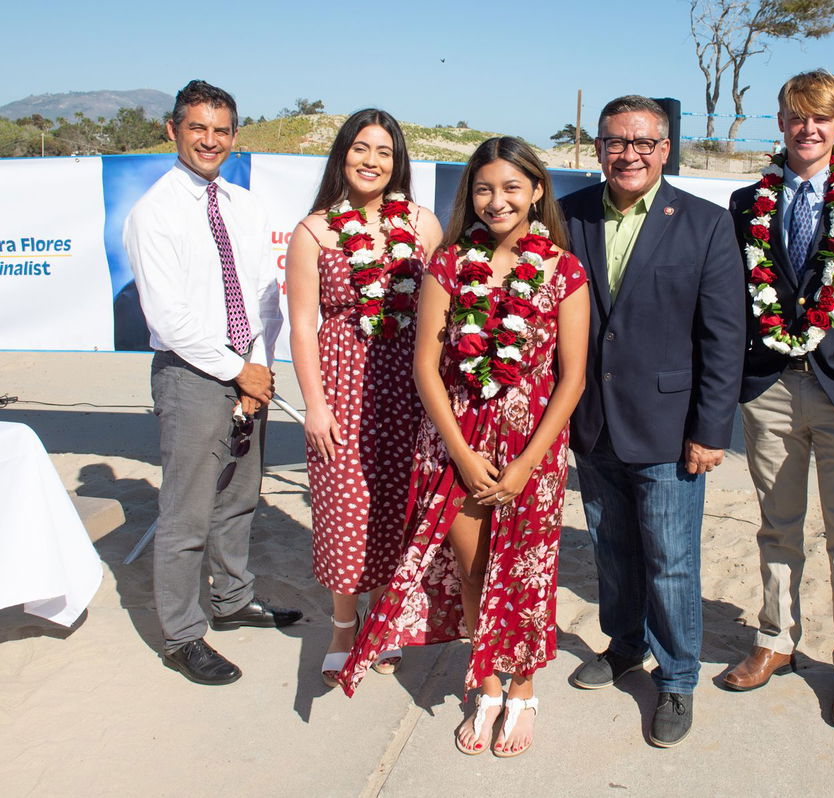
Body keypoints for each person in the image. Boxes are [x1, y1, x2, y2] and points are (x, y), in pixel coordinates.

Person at [338, 137, 589, 759]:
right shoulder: (448, 264)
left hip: (534, 447)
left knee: (528, 573)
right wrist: (462, 454)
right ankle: (484, 685)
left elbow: (572, 377)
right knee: (476, 570)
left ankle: (524, 689)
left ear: (536, 191)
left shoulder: (565, 269)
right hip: (456, 446)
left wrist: (528, 461)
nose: (497, 200)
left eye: (511, 188)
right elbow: (426, 367)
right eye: (483, 188)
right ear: (468, 195)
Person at [722, 69, 834, 729]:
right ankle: (776, 639)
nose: (809, 128)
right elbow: (736, 300)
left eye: (822, 118)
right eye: (798, 116)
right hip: (769, 389)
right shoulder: (747, 203)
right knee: (778, 526)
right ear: (782, 120)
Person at [561, 95, 745, 747]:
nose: (628, 153)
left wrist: (710, 430)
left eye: (642, 142)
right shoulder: (568, 215)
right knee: (612, 549)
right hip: (592, 423)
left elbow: (725, 337)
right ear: (599, 148)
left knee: (670, 559)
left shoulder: (703, 223)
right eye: (615, 141)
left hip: (671, 428)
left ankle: (677, 679)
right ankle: (624, 645)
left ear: (666, 150)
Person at [123, 80, 301, 685]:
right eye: (197, 127)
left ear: (234, 136)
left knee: (239, 497)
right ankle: (181, 634)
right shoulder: (154, 213)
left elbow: (262, 296)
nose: (210, 140)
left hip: (248, 371)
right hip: (192, 375)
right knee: (187, 510)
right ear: (171, 131)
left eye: (221, 129)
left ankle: (231, 600)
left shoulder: (243, 205)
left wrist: (259, 368)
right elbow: (170, 318)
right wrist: (236, 368)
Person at [285, 109, 442, 687]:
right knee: (344, 506)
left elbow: (445, 309)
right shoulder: (315, 231)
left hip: (410, 385)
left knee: (398, 505)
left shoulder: (423, 226)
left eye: (383, 151)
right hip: (343, 383)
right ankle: (344, 625)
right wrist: (315, 403)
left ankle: (386, 615)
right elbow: (303, 324)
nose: (371, 161)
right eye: (360, 148)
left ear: (398, 160)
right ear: (342, 155)